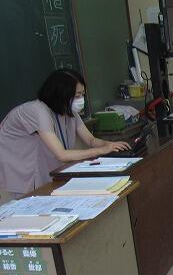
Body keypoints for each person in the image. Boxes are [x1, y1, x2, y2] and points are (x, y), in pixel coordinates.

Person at [0, 69, 130, 199]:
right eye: (77, 95)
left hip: (40, 166)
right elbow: (62, 155)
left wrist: (111, 145)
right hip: (20, 169)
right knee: (28, 203)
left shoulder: (67, 110)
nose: (81, 100)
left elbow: (90, 140)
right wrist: (102, 150)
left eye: (83, 94)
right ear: (61, 94)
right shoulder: (38, 111)